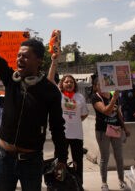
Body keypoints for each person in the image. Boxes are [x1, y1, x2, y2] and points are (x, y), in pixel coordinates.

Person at [0, 12, 67, 191]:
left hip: (32, 163)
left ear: (38, 60)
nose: (19, 59)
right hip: (4, 158)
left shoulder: (50, 91)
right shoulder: (10, 79)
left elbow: (57, 127)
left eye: (25, 56)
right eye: (18, 56)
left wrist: (61, 158)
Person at [48, 52, 88, 184]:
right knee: (60, 161)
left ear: (74, 84)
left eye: (71, 82)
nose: (69, 83)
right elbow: (49, 80)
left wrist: (74, 121)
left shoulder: (80, 97)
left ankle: (78, 183)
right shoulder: (58, 94)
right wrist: (54, 61)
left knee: (77, 161)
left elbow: (84, 114)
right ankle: (59, 184)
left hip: (77, 135)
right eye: (66, 81)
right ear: (62, 84)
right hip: (62, 134)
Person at [91, 78, 130, 191]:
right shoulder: (95, 98)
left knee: (119, 157)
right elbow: (106, 111)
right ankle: (104, 183)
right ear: (96, 87)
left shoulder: (113, 95)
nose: (102, 86)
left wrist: (125, 128)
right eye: (99, 84)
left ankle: (121, 181)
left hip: (116, 129)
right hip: (103, 131)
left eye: (104, 83)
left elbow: (118, 113)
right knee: (105, 157)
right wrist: (113, 99)